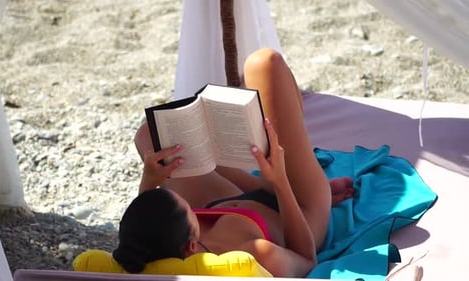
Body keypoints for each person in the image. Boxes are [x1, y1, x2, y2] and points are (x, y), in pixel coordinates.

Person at [113, 48, 354, 277]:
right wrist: (280, 181)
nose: (164, 189)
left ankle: (262, 181)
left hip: (229, 202)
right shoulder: (255, 255)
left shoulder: (159, 245)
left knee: (148, 136)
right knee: (265, 64)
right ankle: (293, 180)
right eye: (185, 208)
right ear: (191, 246)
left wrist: (148, 182)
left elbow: (144, 226)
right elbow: (307, 259)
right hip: (298, 210)